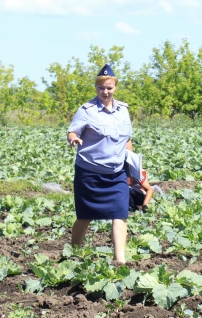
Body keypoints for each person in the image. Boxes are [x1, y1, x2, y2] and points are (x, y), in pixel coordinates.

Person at [66, 64, 133, 263]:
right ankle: (75, 252)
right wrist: (73, 139)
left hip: (116, 172)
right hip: (90, 173)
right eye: (101, 88)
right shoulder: (86, 110)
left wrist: (133, 165)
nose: (105, 92)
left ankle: (120, 261)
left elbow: (127, 139)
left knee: (120, 215)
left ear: (115, 88)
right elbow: (72, 131)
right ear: (96, 88)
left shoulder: (123, 110)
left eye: (109, 88)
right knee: (85, 216)